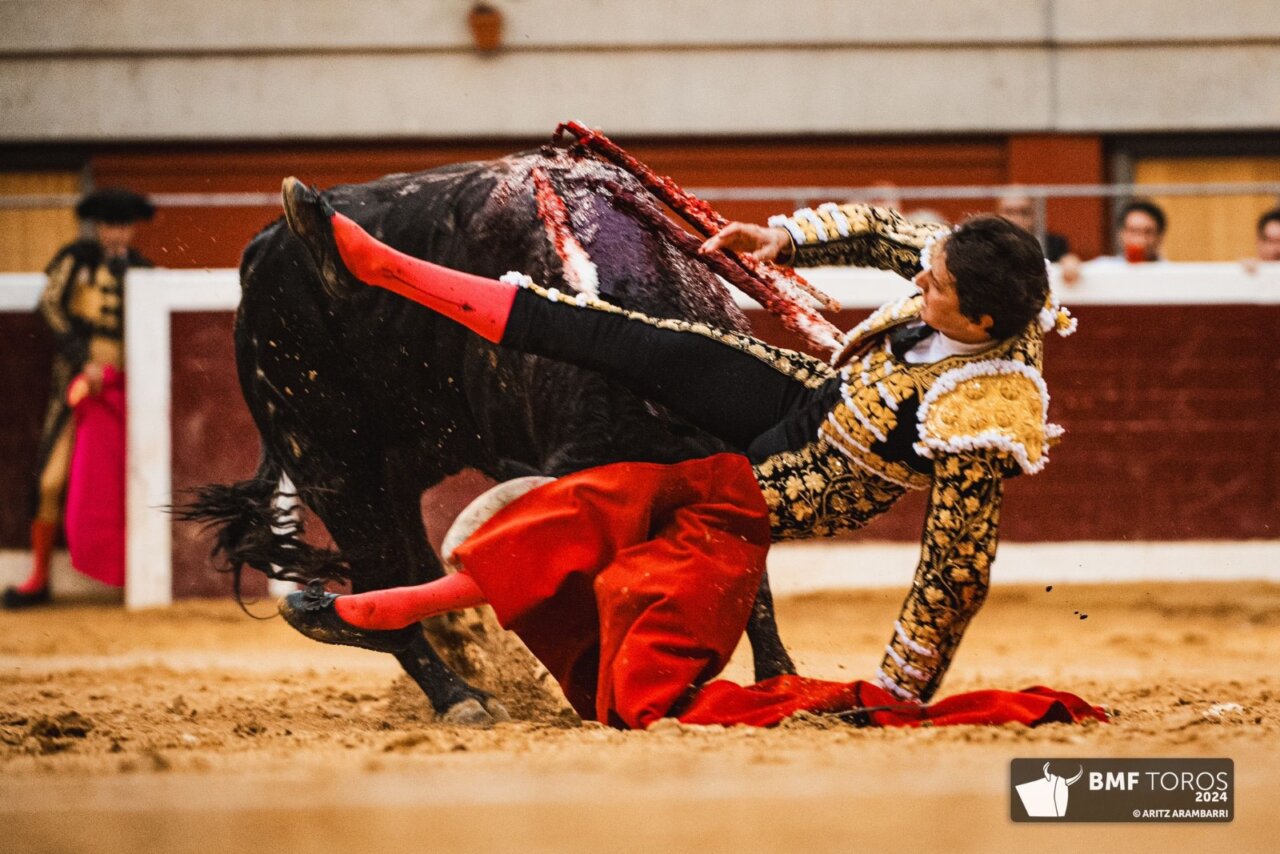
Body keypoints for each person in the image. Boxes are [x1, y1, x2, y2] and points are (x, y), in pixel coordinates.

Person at [276, 180, 1082, 725]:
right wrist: (783, 238)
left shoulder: (990, 409)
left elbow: (956, 567)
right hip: (810, 397)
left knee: (606, 510)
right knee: (622, 337)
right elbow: (884, 233)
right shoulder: (972, 273)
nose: (920, 283)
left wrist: (902, 692)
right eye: (930, 274)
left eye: (935, 289)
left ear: (981, 326)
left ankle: (381, 609)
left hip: (806, 484)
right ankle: (380, 267)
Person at [3, 188, 154, 608]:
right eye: (110, 224)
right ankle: (38, 578)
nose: (117, 233)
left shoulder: (142, 270)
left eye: (124, 225)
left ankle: (136, 577)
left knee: (133, 483)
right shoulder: (75, 259)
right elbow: (50, 307)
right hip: (76, 386)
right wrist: (80, 358)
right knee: (51, 479)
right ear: (98, 226)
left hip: (126, 392)